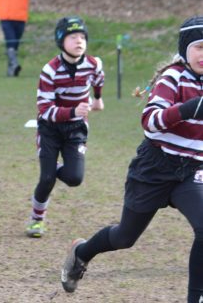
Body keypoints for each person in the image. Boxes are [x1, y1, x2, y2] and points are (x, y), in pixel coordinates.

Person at [61, 16, 203, 303]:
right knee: (125, 238)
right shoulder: (173, 78)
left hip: (190, 172)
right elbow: (149, 120)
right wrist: (188, 109)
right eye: (200, 47)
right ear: (186, 48)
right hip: (155, 168)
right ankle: (82, 253)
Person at [26, 17, 105, 238]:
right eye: (73, 37)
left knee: (74, 178)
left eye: (82, 37)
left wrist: (98, 98)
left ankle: (54, 167)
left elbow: (99, 79)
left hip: (76, 129)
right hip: (50, 128)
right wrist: (72, 111)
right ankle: (36, 220)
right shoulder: (50, 70)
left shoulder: (94, 64)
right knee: (47, 178)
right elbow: (45, 110)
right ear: (61, 41)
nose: (79, 41)